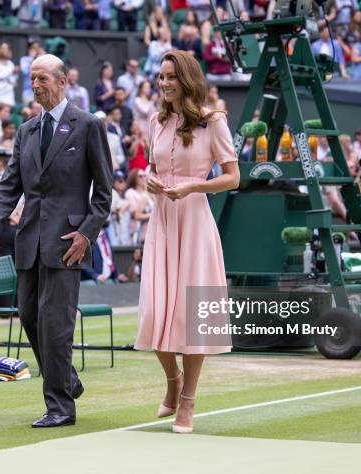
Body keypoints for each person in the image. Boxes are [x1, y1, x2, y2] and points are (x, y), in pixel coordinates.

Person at [0, 54, 113, 428]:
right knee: (29, 317)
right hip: (28, 241)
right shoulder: (25, 131)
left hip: (68, 242)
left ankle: (60, 407)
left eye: (42, 78)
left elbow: (104, 193)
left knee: (56, 324)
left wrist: (87, 234)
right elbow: (10, 185)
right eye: (31, 79)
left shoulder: (88, 126)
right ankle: (67, 379)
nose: (36, 85)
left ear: (61, 82)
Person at [133, 50, 240, 433]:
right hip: (161, 221)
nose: (164, 84)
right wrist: (149, 180)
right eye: (161, 77)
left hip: (195, 222)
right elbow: (152, 168)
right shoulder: (155, 121)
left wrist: (196, 185)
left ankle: (188, 403)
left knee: (192, 318)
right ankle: (172, 382)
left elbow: (232, 178)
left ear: (187, 79)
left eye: (171, 77)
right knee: (155, 312)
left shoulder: (214, 122)